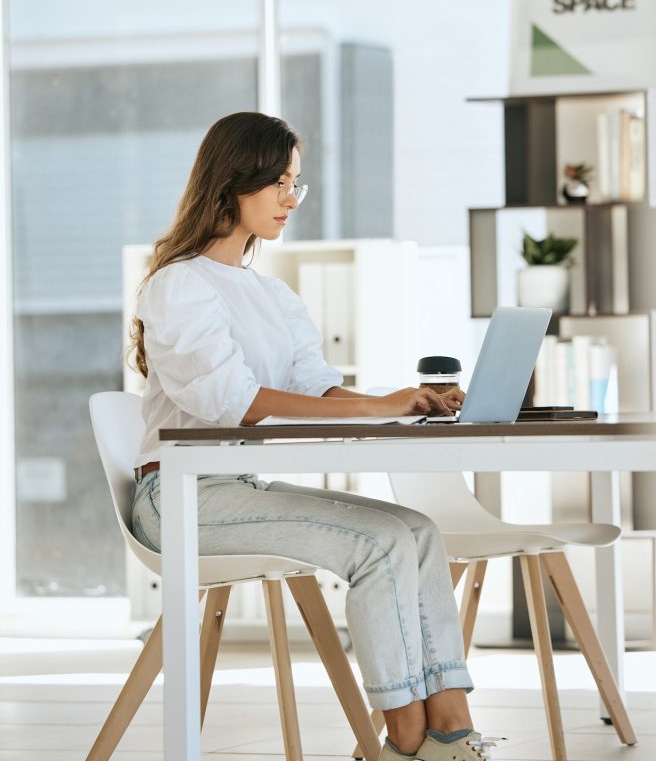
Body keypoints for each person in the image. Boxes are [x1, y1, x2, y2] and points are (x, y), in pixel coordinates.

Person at [129, 112, 495, 761]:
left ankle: (451, 730)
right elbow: (231, 403)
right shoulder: (177, 284)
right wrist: (377, 405)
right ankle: (406, 741)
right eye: (278, 184)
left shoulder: (272, 295)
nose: (289, 201)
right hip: (181, 500)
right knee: (381, 544)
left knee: (418, 531)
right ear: (232, 182)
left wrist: (405, 403)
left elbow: (320, 388)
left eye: (297, 185)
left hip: (237, 490)